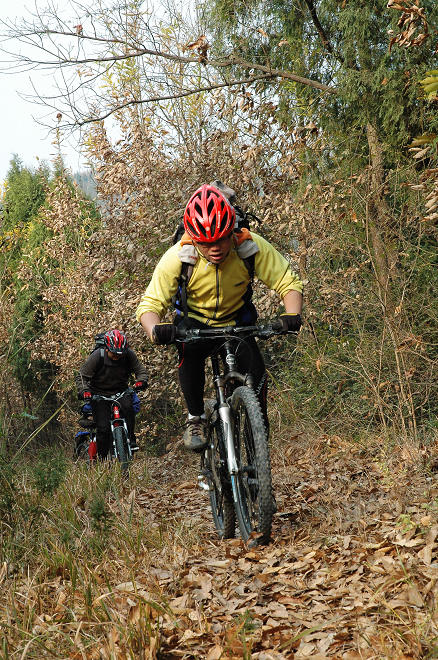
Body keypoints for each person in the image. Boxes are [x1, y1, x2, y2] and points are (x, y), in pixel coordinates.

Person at [136, 183, 303, 451]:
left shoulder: (249, 246)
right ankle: (196, 418)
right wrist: (155, 329)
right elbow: (150, 304)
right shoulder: (178, 257)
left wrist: (292, 314)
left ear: (232, 232)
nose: (215, 248)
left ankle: (256, 441)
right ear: (193, 238)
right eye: (205, 242)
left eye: (221, 239)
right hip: (195, 324)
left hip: (237, 323)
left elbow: (287, 280)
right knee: (188, 353)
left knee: (257, 379)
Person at [76, 329, 148, 458]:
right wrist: (84, 391)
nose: (117, 357)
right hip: (99, 395)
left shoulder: (128, 355)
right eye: (114, 354)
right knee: (103, 428)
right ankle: (102, 458)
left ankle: (131, 439)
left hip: (121, 392)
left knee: (129, 409)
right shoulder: (98, 356)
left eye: (120, 354)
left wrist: (141, 381)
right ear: (107, 349)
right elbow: (82, 376)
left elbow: (140, 370)